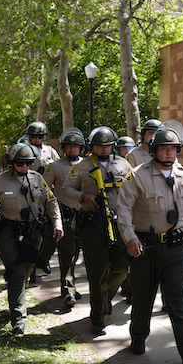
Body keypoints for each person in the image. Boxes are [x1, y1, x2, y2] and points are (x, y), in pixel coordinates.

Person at [117, 124, 183, 364]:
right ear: (154, 150)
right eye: (164, 149)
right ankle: (138, 336)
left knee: (179, 298)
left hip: (177, 248)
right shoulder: (137, 175)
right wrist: (130, 238)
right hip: (145, 248)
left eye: (174, 149)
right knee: (143, 296)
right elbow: (123, 211)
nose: (170, 153)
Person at [0, 142, 63, 335]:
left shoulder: (37, 179)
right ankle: (18, 320)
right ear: (12, 163)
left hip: (32, 233)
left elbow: (51, 201)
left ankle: (16, 288)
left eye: (28, 164)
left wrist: (57, 222)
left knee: (25, 271)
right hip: (7, 231)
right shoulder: (0, 181)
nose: (25, 168)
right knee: (16, 272)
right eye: (20, 164)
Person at [61, 126, 133, 336]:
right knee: (97, 272)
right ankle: (98, 316)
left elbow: (133, 189)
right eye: (99, 146)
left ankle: (105, 298)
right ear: (92, 147)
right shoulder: (82, 166)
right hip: (93, 225)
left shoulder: (123, 163)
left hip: (119, 223)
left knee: (122, 267)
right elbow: (65, 189)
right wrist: (84, 198)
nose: (104, 149)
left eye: (108, 145)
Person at [43, 127, 86, 308]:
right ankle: (68, 290)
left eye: (75, 147)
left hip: (84, 216)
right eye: (68, 146)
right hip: (64, 215)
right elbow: (44, 188)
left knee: (77, 253)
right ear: (63, 148)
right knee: (67, 253)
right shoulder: (55, 166)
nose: (72, 150)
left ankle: (69, 286)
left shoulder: (86, 164)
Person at [25, 121, 60, 281]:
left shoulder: (50, 151)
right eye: (34, 136)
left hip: (48, 195)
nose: (37, 139)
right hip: (30, 196)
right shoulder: (24, 151)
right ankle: (30, 268)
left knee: (51, 232)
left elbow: (58, 168)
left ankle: (43, 258)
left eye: (40, 136)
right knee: (33, 233)